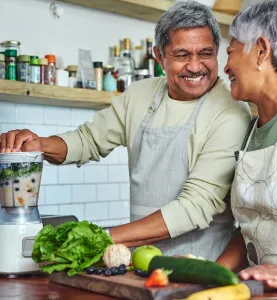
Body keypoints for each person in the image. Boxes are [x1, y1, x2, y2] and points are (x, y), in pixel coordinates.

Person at [0, 1, 250, 260]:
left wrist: (101, 238)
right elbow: (89, 140)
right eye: (182, 55)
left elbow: (195, 205)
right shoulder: (140, 95)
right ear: (159, 56)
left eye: (206, 53)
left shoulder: (230, 111)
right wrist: (39, 144)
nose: (196, 66)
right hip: (139, 263)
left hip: (201, 266)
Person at [216, 0, 277, 291]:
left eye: (231, 52)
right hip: (262, 292)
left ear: (261, 50)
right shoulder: (255, 128)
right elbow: (257, 227)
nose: (226, 66)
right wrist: (210, 272)